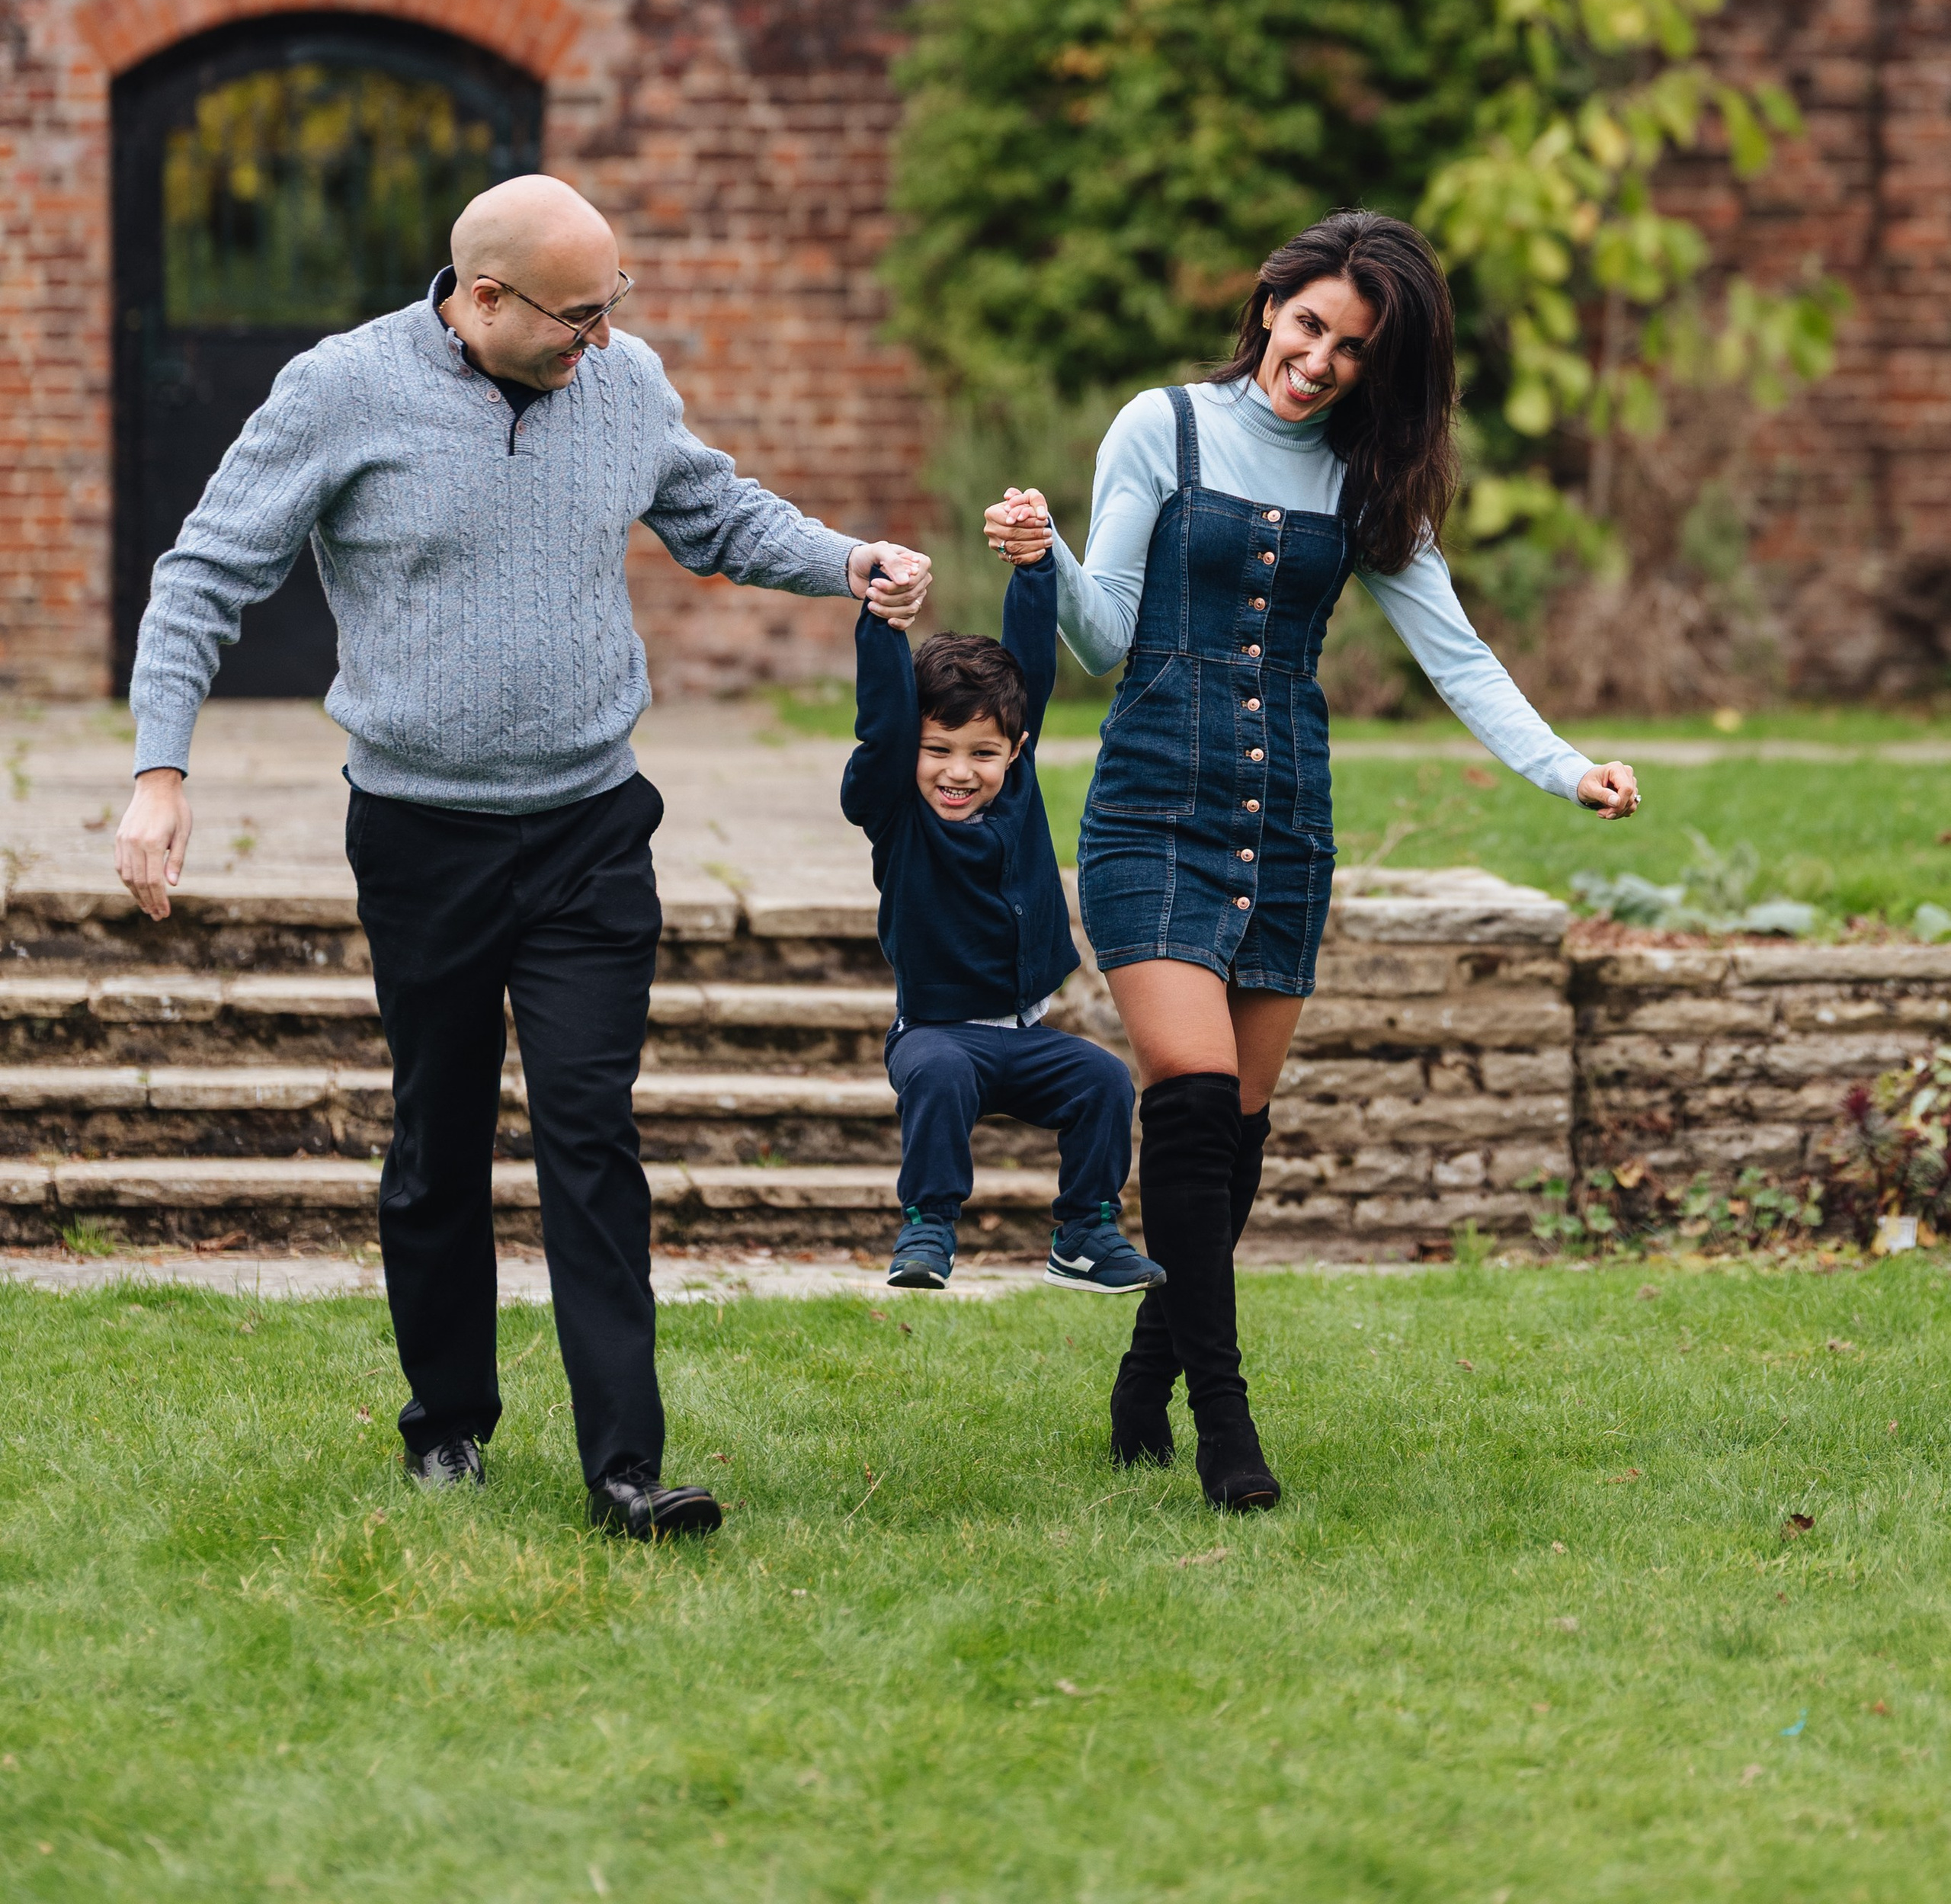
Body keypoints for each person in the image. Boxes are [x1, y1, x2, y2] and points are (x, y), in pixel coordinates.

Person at [114, 174, 932, 1543]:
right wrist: (159, 771)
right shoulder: (340, 391)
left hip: (590, 828)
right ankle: (447, 1429)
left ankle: (626, 1468)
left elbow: (712, 512)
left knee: (590, 1133)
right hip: (422, 836)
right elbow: (205, 575)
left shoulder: (620, 379)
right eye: (576, 313)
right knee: (438, 1139)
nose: (601, 337)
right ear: (481, 298)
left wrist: (847, 560)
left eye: (617, 305)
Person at [985, 211, 1640, 1515]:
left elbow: (1454, 653)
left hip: (1285, 817)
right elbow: (1104, 634)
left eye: (1353, 348)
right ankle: (1224, 1426)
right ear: (1271, 305)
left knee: (1233, 1132)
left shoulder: (1365, 480)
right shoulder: (1161, 427)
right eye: (1308, 326)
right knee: (1189, 1085)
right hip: (1153, 808)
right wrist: (1041, 552)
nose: (1320, 359)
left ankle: (1146, 1368)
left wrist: (1566, 766)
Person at [841, 539, 1165, 1299]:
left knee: (1103, 1079)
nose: (959, 771)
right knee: (944, 1070)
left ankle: (1084, 1232)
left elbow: (1031, 666)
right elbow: (885, 724)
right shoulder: (897, 811)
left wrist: (1035, 567)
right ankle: (928, 1223)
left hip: (1022, 1041)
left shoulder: (1013, 789)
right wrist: (883, 620)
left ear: (1015, 750)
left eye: (982, 752)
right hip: (933, 1035)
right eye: (938, 749)